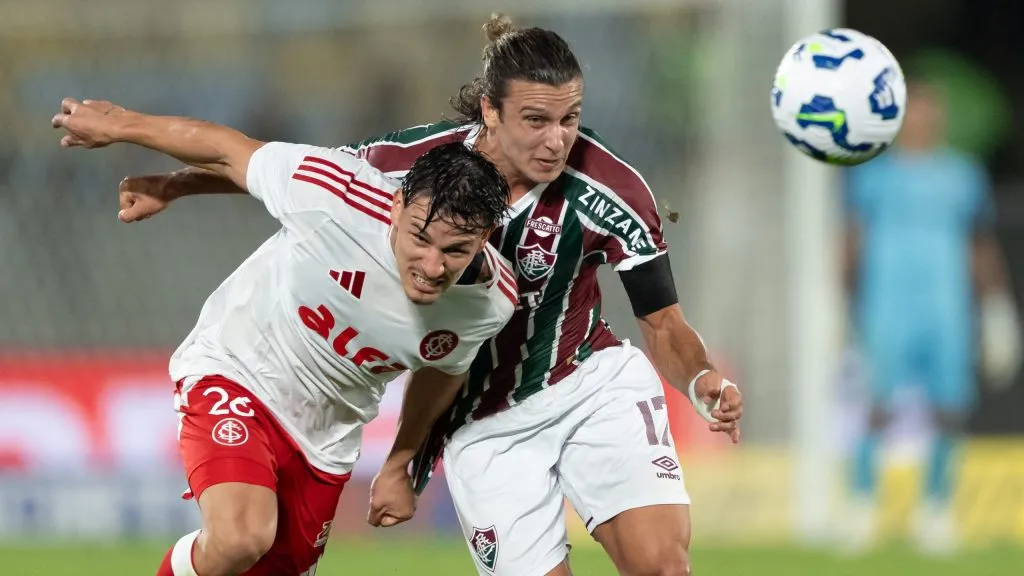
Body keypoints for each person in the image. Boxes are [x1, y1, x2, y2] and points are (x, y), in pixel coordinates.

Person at [117, 14, 745, 576]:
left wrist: (701, 381)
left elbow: (662, 322)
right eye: (536, 120)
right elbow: (305, 176)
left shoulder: (613, 190)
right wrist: (178, 186)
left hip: (587, 384)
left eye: (569, 119)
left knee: (661, 564)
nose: (557, 139)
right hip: (483, 426)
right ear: (490, 114)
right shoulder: (416, 164)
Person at [51, 96, 518, 576]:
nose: (432, 266)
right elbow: (228, 149)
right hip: (238, 371)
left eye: (456, 250)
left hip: (326, 438)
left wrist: (401, 461)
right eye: (420, 238)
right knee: (239, 538)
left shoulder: (491, 302)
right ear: (397, 207)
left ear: (483, 239)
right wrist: (123, 129)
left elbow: (444, 371)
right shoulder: (336, 196)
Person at [843, 78, 1017, 553]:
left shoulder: (962, 175)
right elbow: (852, 243)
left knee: (949, 410)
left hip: (946, 307)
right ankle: (863, 507)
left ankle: (935, 509)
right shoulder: (872, 177)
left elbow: (979, 243)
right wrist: (837, 303)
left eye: (929, 110)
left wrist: (998, 305)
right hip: (887, 305)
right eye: (914, 111)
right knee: (878, 407)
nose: (922, 119)